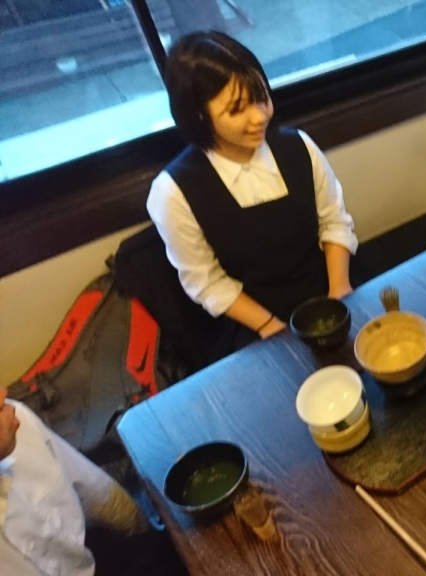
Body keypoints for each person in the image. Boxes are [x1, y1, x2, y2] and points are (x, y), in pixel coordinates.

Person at [148, 32, 358, 357]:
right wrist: (271, 327)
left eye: (261, 97)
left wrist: (339, 291)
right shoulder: (173, 192)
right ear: (198, 115)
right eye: (237, 109)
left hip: (329, 289)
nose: (259, 116)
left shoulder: (298, 146)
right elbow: (207, 282)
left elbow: (334, 222)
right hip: (254, 322)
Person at [1, 386, 150, 575]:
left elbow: (97, 493)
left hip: (91, 558)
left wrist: (145, 534)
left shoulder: (17, 422)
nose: (3, 393)